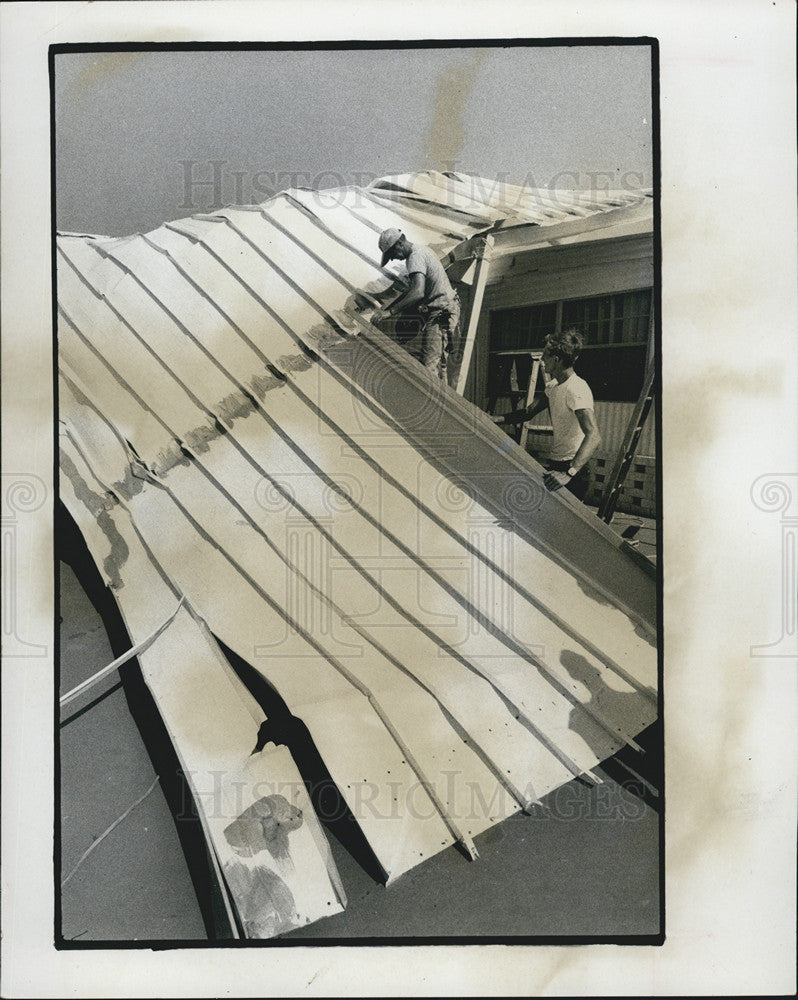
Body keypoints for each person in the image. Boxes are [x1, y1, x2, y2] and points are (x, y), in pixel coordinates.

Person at [493, 329, 601, 501]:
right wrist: (495, 419)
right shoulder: (553, 386)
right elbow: (528, 412)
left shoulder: (577, 388)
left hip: (572, 469)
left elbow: (593, 435)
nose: (542, 360)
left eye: (545, 355)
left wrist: (569, 473)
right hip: (556, 463)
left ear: (556, 360)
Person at [371, 228, 461, 382]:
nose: (393, 259)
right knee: (439, 366)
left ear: (399, 243)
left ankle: (434, 404)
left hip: (441, 313)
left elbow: (417, 292)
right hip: (445, 309)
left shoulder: (415, 257)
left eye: (392, 254)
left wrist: (389, 312)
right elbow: (421, 291)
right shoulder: (422, 250)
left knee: (429, 367)